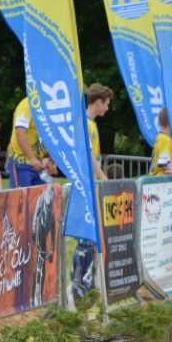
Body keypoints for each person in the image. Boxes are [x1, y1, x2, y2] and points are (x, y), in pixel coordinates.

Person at [72, 83, 114, 299]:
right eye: (107, 104)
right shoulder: (85, 124)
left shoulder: (91, 124)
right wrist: (102, 176)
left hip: (90, 184)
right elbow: (88, 157)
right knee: (85, 237)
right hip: (85, 185)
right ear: (98, 102)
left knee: (90, 237)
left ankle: (85, 282)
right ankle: (79, 284)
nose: (107, 109)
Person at [7, 95, 48, 187]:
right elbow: (20, 133)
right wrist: (32, 158)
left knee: (42, 196)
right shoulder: (27, 104)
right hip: (21, 162)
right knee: (22, 196)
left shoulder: (48, 106)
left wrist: (48, 158)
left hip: (39, 165)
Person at [148, 108, 172, 176]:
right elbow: (164, 163)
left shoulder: (161, 137)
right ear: (170, 121)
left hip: (159, 179)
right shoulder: (164, 139)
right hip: (161, 179)